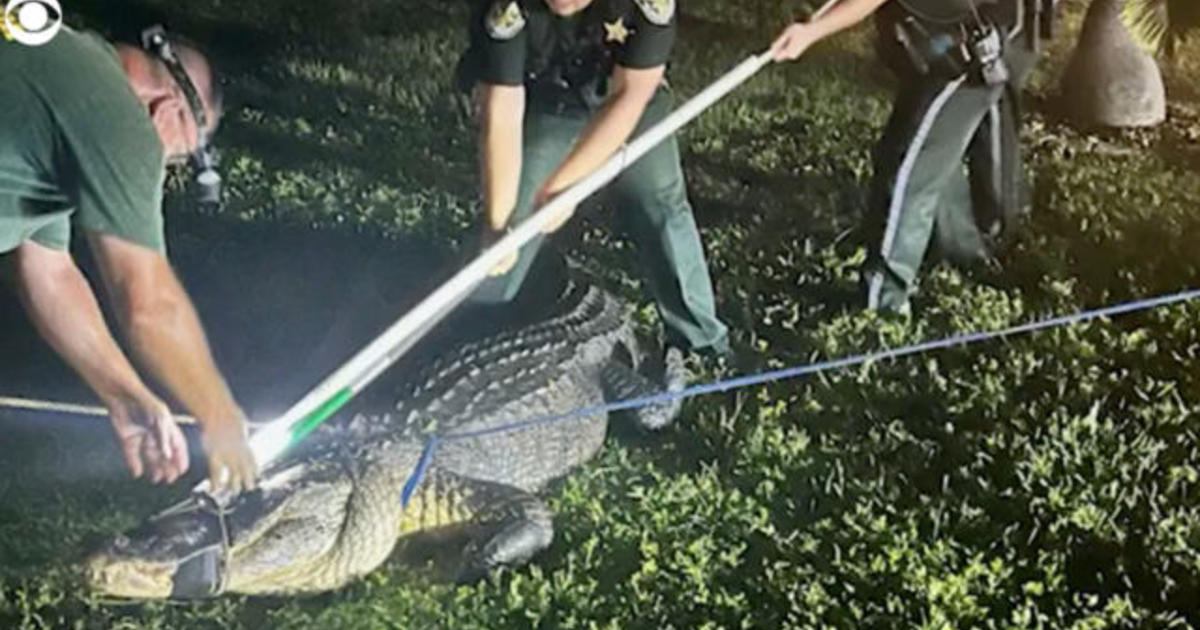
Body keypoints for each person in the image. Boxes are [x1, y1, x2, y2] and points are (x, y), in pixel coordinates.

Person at [0, 26, 257, 493]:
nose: (160, 170)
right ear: (169, 109)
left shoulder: (64, 85)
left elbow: (49, 272)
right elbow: (148, 304)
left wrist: (127, 396)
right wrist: (220, 415)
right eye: (176, 159)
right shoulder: (118, 117)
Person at [457, 0, 731, 379]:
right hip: (551, 99)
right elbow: (502, 111)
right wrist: (496, 222)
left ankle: (701, 343)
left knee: (660, 202)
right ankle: (473, 327)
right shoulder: (504, 7)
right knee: (511, 222)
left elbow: (631, 94)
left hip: (630, 97)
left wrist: (564, 190)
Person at [772, 0, 1047, 315]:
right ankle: (966, 255)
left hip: (969, 47)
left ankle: (884, 305)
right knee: (929, 152)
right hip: (971, 34)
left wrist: (812, 31)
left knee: (906, 171)